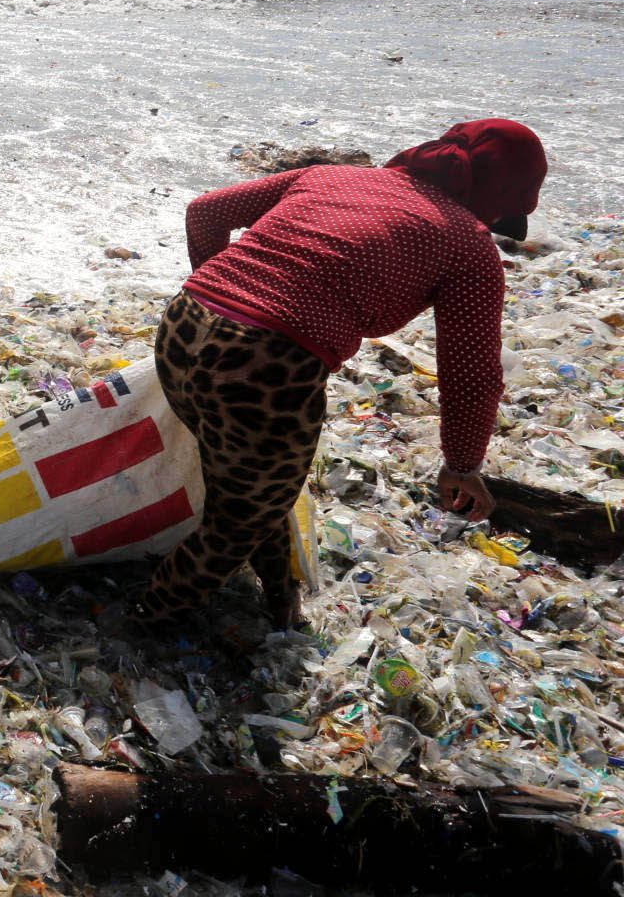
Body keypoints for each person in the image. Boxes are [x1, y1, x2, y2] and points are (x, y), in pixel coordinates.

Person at [134, 120, 547, 631]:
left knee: (261, 488)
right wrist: (462, 465)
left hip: (184, 323)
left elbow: (205, 210)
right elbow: (470, 372)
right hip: (266, 364)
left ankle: (281, 602)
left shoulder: (334, 177)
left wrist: (221, 282)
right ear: (502, 192)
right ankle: (143, 621)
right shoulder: (468, 246)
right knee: (235, 526)